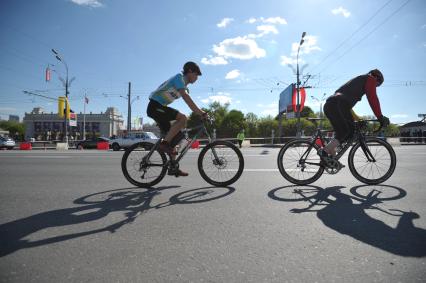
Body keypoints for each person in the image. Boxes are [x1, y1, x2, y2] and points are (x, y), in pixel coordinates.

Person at [147, 61, 206, 177]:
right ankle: (164, 144)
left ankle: (173, 168)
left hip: (160, 108)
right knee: (183, 118)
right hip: (155, 106)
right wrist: (200, 112)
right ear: (189, 71)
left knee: (173, 139)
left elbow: (186, 95)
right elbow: (186, 98)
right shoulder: (179, 78)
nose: (197, 78)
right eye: (196, 74)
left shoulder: (183, 85)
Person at [320, 69, 390, 159]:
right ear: (377, 78)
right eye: (378, 85)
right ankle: (324, 151)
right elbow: (373, 98)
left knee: (342, 133)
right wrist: (380, 117)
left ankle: (329, 155)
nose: (376, 87)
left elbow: (348, 109)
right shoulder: (371, 78)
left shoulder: (358, 81)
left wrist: (358, 119)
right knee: (347, 132)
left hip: (331, 105)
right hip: (338, 105)